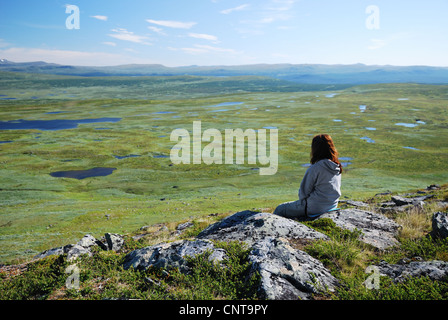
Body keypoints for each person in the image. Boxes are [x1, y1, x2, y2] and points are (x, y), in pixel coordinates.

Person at [273, 134, 342, 220]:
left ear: (315, 149)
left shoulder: (315, 168)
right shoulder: (337, 166)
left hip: (314, 208)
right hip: (332, 205)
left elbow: (304, 193)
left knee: (280, 209)